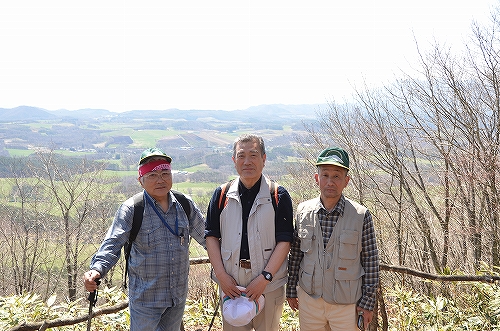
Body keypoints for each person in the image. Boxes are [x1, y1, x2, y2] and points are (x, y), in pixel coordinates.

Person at [83, 147, 206, 331]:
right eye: (152, 175)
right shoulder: (132, 209)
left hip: (177, 297)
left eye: (165, 173)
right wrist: (96, 269)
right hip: (146, 300)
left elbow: (207, 238)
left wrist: (230, 263)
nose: (160, 180)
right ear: (141, 181)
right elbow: (112, 244)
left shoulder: (185, 205)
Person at [205, 134, 294, 331]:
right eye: (241, 155)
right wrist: (221, 276)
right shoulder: (221, 194)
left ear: (264, 158)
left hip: (268, 286)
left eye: (253, 155)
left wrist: (265, 278)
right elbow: (211, 236)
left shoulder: (278, 195)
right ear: (233, 160)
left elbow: (285, 240)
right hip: (231, 284)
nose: (247, 162)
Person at [286, 147, 380, 331]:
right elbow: (296, 254)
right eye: (325, 175)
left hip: (346, 303)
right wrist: (291, 289)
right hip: (309, 300)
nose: (330, 182)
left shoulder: (361, 216)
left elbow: (370, 261)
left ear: (346, 181)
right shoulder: (303, 211)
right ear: (316, 178)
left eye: (336, 176)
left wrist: (368, 303)